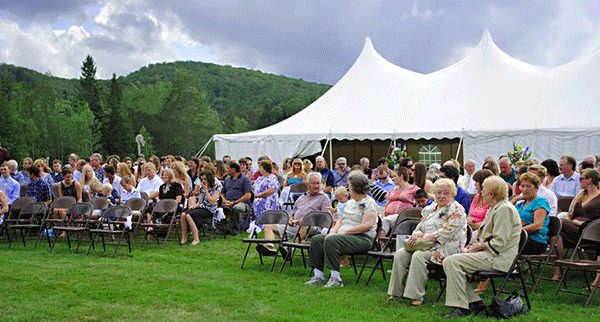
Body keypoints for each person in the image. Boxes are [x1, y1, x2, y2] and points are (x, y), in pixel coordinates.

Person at [441, 176, 521, 318]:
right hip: (491, 254)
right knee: (451, 261)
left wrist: (477, 247)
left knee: (452, 261)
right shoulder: (496, 208)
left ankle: (463, 306)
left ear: (492, 194)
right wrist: (473, 246)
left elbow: (500, 243)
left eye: (483, 189)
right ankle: (473, 302)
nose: (480, 193)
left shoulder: (504, 210)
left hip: (499, 258)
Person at [387, 178, 467, 305]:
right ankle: (396, 292)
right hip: (426, 244)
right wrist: (416, 235)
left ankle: (416, 296)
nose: (441, 196)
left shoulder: (457, 209)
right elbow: (420, 227)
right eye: (439, 192)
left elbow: (449, 231)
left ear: (453, 194)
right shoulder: (430, 209)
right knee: (401, 253)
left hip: (446, 246)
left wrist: (428, 237)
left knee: (419, 256)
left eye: (446, 193)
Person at [305, 171, 378, 287]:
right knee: (317, 239)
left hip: (363, 237)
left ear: (356, 188)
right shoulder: (350, 203)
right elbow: (340, 220)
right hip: (344, 235)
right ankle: (318, 275)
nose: (348, 189)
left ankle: (336, 279)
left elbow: (367, 225)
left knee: (331, 241)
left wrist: (344, 232)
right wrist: (333, 231)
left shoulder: (369, 203)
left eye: (350, 187)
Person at [261, 172, 331, 253]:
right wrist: (290, 219)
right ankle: (270, 247)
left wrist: (306, 221)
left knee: (305, 224)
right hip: (295, 225)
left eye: (318, 183)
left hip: (312, 227)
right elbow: (293, 214)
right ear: (307, 185)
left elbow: (326, 219)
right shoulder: (302, 198)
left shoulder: (324, 198)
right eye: (313, 183)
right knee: (268, 225)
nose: (316, 186)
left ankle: (290, 248)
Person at [553, 169, 600, 280]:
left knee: (556, 223)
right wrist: (572, 220)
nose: (579, 181)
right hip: (573, 229)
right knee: (555, 235)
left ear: (589, 180)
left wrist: (580, 222)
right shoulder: (580, 196)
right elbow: (570, 214)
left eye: (581, 178)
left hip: (591, 231)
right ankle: (557, 271)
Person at [181, 170, 221, 245]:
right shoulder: (201, 189)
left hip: (209, 210)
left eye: (205, 179)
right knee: (183, 214)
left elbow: (212, 201)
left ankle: (196, 238)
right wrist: (194, 206)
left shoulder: (216, 188)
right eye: (202, 179)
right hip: (201, 207)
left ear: (209, 179)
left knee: (189, 215)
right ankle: (184, 238)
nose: (203, 181)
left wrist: (206, 191)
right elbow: (199, 202)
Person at [514, 173, 550, 255]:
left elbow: (538, 225)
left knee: (503, 244)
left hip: (535, 241)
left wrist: (516, 231)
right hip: (519, 238)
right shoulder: (521, 204)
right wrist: (515, 199)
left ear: (536, 188)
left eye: (528, 186)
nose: (525, 189)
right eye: (522, 186)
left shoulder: (540, 202)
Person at [379, 167, 419, 240]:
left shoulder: (413, 189)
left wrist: (415, 202)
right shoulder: (393, 190)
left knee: (385, 221)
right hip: (389, 216)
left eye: (394, 176)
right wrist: (383, 213)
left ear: (401, 176)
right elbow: (387, 203)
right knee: (377, 220)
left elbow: (426, 196)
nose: (393, 178)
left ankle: (380, 245)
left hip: (402, 216)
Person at [221, 160, 252, 233]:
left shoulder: (245, 180)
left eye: (228, 168)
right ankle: (224, 228)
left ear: (233, 169)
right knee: (218, 207)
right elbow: (222, 193)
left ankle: (235, 229)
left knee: (236, 208)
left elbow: (248, 195)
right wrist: (225, 201)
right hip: (228, 201)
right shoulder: (227, 180)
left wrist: (235, 202)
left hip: (241, 203)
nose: (226, 170)